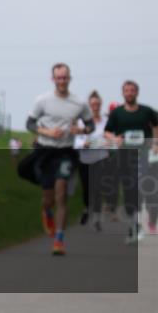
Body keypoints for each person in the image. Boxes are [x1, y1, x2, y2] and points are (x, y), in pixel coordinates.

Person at [26, 63, 94, 256]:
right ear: (53, 79)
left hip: (66, 152)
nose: (62, 81)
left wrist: (81, 130)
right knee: (48, 199)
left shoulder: (79, 103)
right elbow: (29, 123)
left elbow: (90, 125)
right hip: (46, 151)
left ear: (69, 79)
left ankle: (59, 239)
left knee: (61, 193)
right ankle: (46, 211)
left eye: (65, 78)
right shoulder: (43, 100)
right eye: (59, 78)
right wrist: (46, 131)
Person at [103, 80, 158, 243]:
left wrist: (155, 142)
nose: (129, 93)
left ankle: (141, 222)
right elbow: (107, 132)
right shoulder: (117, 113)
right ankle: (134, 225)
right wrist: (114, 138)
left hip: (144, 155)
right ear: (123, 93)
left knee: (142, 187)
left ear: (137, 92)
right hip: (124, 157)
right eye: (126, 91)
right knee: (128, 192)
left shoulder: (146, 111)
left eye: (132, 90)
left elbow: (156, 125)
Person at [74, 90, 109, 230]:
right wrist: (84, 144)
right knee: (87, 189)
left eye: (97, 104)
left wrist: (100, 143)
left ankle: (96, 218)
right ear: (88, 106)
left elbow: (110, 140)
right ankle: (87, 209)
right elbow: (76, 142)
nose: (95, 106)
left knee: (98, 189)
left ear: (100, 105)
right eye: (92, 104)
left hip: (101, 158)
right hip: (84, 158)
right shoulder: (81, 122)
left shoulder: (106, 121)